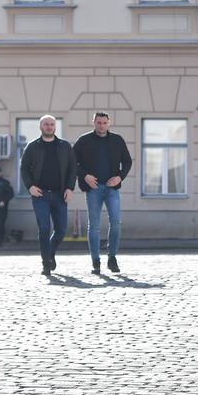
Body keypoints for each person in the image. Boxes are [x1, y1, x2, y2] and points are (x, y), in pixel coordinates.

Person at [74, 110, 132, 275]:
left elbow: (127, 161)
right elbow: (72, 161)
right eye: (98, 122)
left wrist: (120, 177)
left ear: (109, 123)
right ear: (93, 122)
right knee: (94, 226)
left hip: (112, 188)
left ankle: (112, 258)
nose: (101, 125)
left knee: (116, 222)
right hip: (93, 188)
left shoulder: (117, 140)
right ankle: (95, 261)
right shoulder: (83, 141)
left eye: (104, 122)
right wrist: (85, 175)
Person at [19, 115, 76, 274]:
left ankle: (50, 254)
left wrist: (70, 188)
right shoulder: (32, 146)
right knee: (44, 228)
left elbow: (72, 169)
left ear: (55, 127)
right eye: (46, 124)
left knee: (61, 230)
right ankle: (46, 264)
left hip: (60, 194)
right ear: (40, 127)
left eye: (52, 124)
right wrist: (30, 186)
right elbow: (24, 168)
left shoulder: (65, 146)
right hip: (40, 195)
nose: (49, 127)